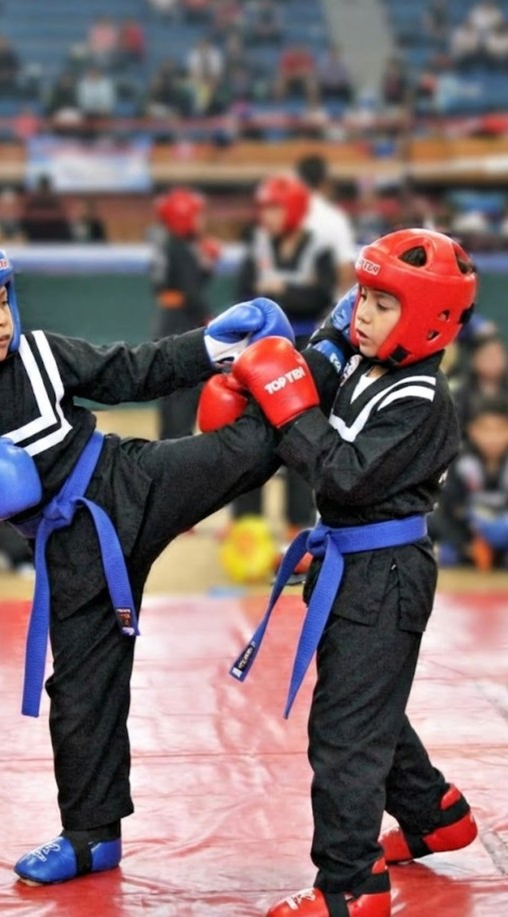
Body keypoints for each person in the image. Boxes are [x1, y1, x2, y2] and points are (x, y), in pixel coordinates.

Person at [0, 231, 292, 887]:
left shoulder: (41, 355)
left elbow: (135, 369)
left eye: (2, 300)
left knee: (249, 446)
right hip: (71, 552)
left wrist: (213, 346)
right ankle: (90, 837)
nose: (0, 317)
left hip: (126, 481)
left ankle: (330, 366)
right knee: (81, 696)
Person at [199, 228, 479, 915]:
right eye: (364, 295)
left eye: (383, 305)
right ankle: (433, 813)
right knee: (364, 702)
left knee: (345, 728)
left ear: (423, 320)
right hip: (352, 564)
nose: (362, 312)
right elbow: (327, 341)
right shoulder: (366, 353)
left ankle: (350, 885)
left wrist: (288, 401)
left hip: (384, 571)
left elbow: (343, 474)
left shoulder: (420, 402)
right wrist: (267, 371)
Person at [231, 173, 335, 543]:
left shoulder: (317, 250)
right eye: (265, 209)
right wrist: (291, 295)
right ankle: (247, 526)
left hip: (306, 350)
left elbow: (320, 297)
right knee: (251, 435)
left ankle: (296, 524)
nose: (268, 217)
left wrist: (278, 291)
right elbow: (243, 294)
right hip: (260, 352)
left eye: (275, 208)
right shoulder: (256, 247)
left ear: (292, 209)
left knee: (299, 432)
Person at [150, 187, 222, 439]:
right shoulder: (178, 247)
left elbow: (176, 284)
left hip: (167, 323)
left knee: (170, 398)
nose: (201, 221)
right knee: (183, 395)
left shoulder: (165, 244)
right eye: (196, 215)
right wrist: (210, 320)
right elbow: (191, 293)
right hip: (182, 324)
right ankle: (176, 454)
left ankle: (166, 450)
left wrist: (205, 267)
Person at [431, 394, 508, 571]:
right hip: (467, 543)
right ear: (472, 430)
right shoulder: (459, 462)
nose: (493, 437)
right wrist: (467, 545)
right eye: (486, 429)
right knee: (447, 553)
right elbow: (446, 511)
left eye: (501, 429)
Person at [296, 152, 358, 296]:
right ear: (324, 181)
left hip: (286, 303)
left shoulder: (283, 215)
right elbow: (346, 270)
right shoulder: (335, 218)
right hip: (321, 306)